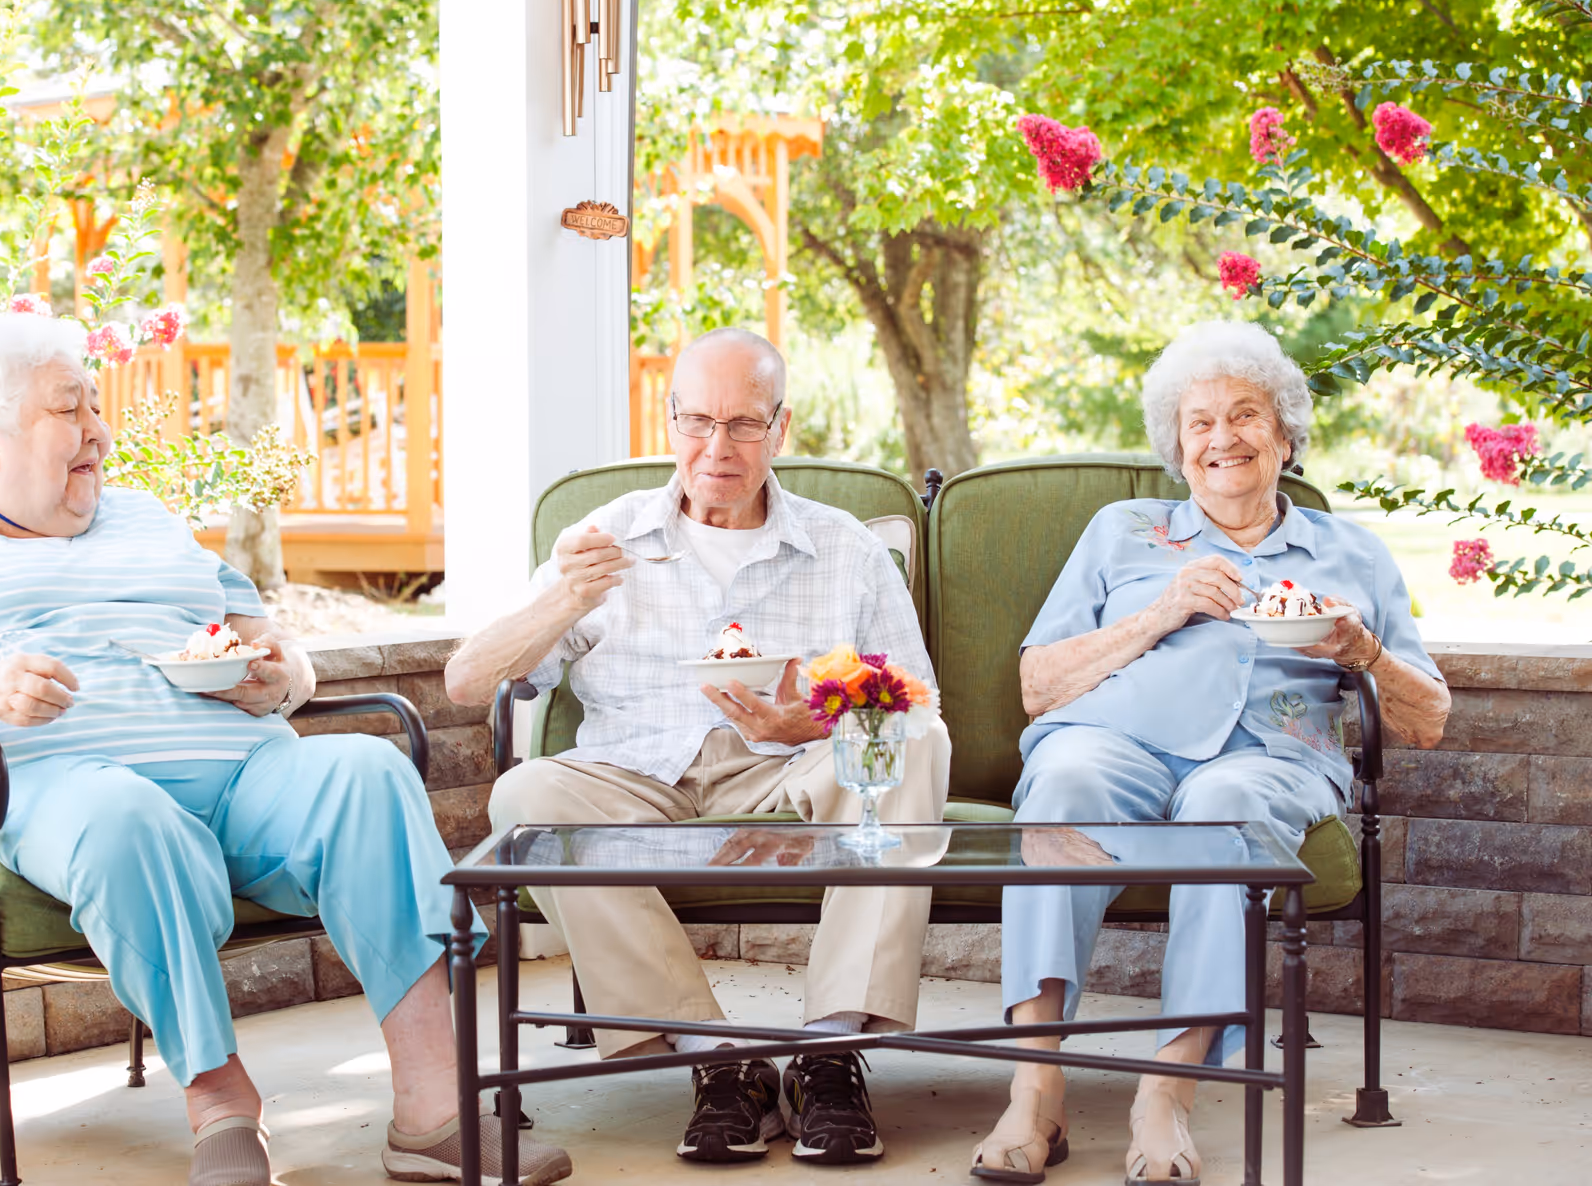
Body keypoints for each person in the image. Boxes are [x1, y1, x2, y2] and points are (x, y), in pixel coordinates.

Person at [0, 314, 572, 1186]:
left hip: (236, 770)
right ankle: (220, 1103)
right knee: (124, 813)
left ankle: (434, 1110)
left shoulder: (147, 521)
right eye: (70, 409)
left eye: (95, 403)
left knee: (364, 770)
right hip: (35, 790)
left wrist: (276, 678)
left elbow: (276, 648)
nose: (98, 427)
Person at [445, 327, 953, 1168]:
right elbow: (469, 681)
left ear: (780, 430)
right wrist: (561, 600)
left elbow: (920, 697)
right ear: (670, 420)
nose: (718, 447)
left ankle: (829, 1052)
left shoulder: (846, 548)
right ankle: (719, 1061)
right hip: (635, 784)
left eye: (744, 424)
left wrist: (811, 723)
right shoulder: (606, 538)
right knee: (523, 799)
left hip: (789, 782)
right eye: (698, 422)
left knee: (913, 742)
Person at [971, 320, 1449, 1184]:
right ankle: (1035, 1084)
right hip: (1115, 740)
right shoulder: (1125, 532)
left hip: (1271, 754)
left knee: (1223, 810)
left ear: (1286, 434)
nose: (1222, 438)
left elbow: (1428, 717)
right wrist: (1162, 612)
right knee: (1065, 782)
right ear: (1176, 445)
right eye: (1200, 422)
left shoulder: (1351, 553)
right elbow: (1039, 686)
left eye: (1245, 415)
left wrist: (1362, 653)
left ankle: (1167, 1090)